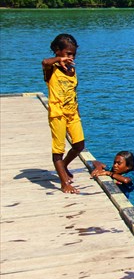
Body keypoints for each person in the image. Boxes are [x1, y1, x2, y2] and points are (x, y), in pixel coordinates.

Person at [42, 34, 85, 194]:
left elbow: (73, 93)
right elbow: (45, 62)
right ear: (57, 51)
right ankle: (64, 182)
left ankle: (64, 166)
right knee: (58, 150)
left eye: (73, 54)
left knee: (79, 145)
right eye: (68, 54)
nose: (71, 57)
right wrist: (57, 60)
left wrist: (78, 113)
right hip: (58, 113)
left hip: (72, 113)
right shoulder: (51, 69)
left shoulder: (72, 69)